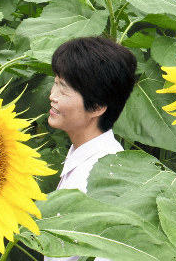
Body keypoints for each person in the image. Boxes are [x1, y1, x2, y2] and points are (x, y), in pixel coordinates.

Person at [45, 36, 137, 261]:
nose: (52, 96)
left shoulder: (102, 182)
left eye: (64, 89)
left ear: (97, 106)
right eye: (55, 82)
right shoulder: (83, 154)